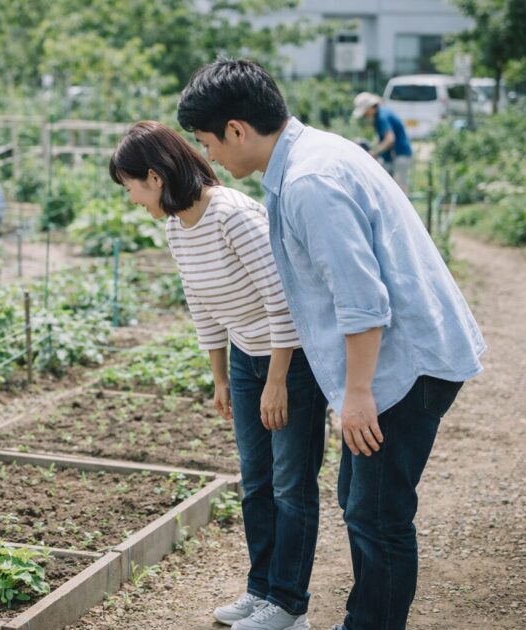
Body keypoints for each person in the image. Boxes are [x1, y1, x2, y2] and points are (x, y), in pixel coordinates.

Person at [178, 59, 485, 630]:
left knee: (377, 513)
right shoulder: (311, 155)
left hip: (405, 365)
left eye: (207, 142)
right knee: (360, 499)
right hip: (398, 357)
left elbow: (361, 300)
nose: (210, 157)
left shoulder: (308, 182)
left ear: (237, 129)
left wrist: (359, 394)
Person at [109, 121, 327, 630]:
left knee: (291, 485)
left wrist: (276, 379)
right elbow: (202, 307)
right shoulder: (175, 226)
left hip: (288, 359)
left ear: (155, 177)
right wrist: (222, 377)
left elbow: (283, 301)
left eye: (131, 187)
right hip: (247, 362)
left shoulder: (232, 215)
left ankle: (290, 607)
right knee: (255, 482)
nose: (131, 199)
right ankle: (261, 590)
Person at [351, 92, 413, 193]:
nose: (366, 115)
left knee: (399, 190)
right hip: (394, 156)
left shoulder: (382, 116)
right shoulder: (382, 113)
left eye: (365, 112)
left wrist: (373, 153)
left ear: (370, 107)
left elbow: (389, 139)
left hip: (399, 155)